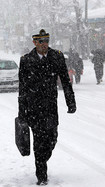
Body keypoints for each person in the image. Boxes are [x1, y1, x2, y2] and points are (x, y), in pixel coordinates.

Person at [18, 29, 76, 185]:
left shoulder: (56, 56)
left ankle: (43, 158)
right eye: (41, 42)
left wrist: (70, 102)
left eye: (46, 41)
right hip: (33, 109)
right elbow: (22, 88)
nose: (44, 45)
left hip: (50, 107)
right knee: (38, 141)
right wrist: (21, 112)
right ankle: (41, 175)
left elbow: (65, 80)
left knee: (52, 139)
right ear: (34, 43)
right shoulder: (26, 60)